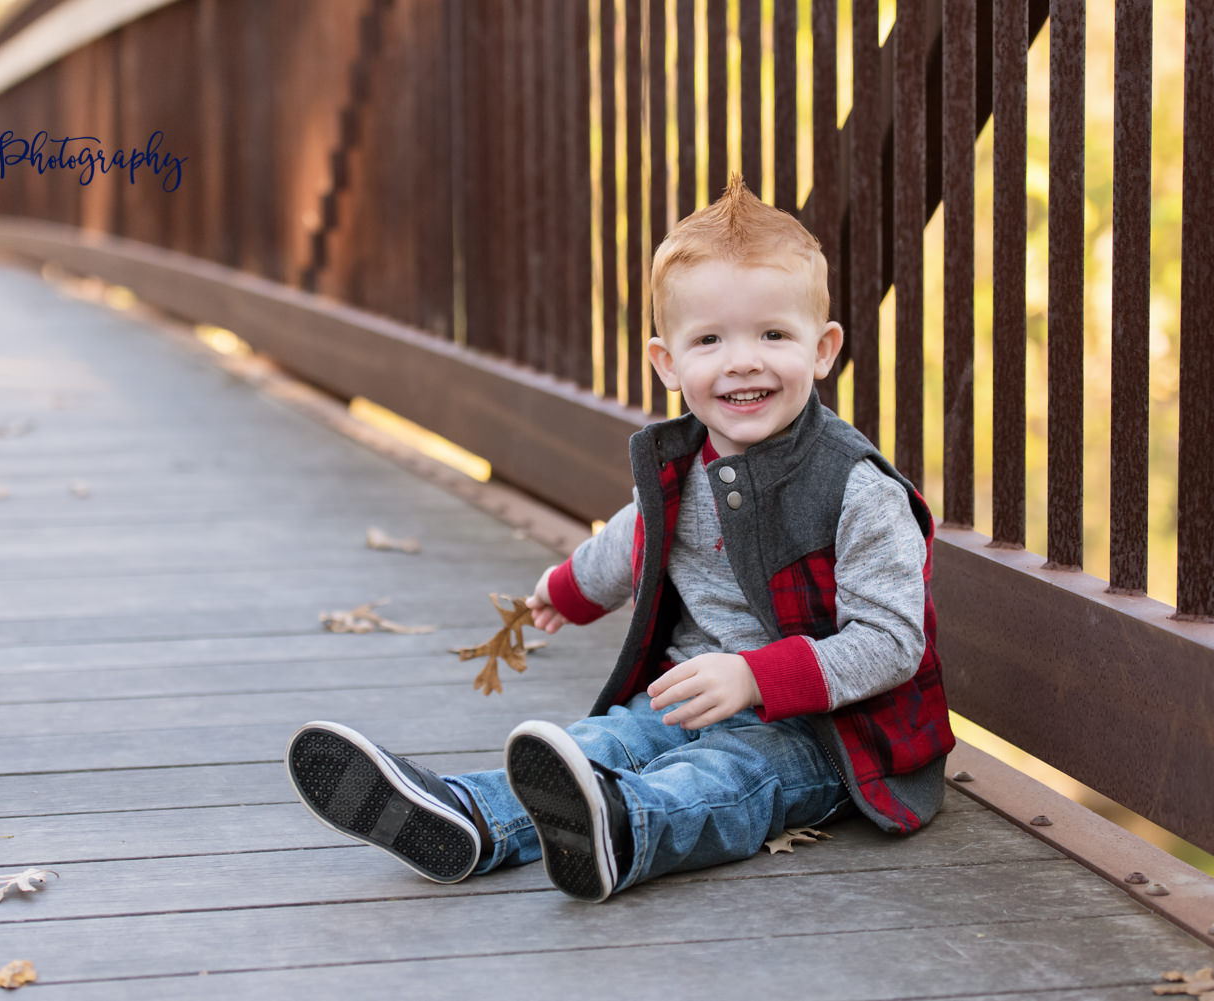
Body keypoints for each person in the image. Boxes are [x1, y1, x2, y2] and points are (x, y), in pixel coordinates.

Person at [285, 175, 954, 903]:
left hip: (825, 734)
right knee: (602, 743)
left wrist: (758, 677)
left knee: (724, 779)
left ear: (822, 349)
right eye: (709, 340)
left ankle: (624, 829)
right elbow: (636, 535)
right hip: (689, 691)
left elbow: (893, 640)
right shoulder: (686, 465)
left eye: (772, 334)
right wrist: (566, 589)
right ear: (669, 364)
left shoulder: (855, 489)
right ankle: (469, 814)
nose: (742, 360)